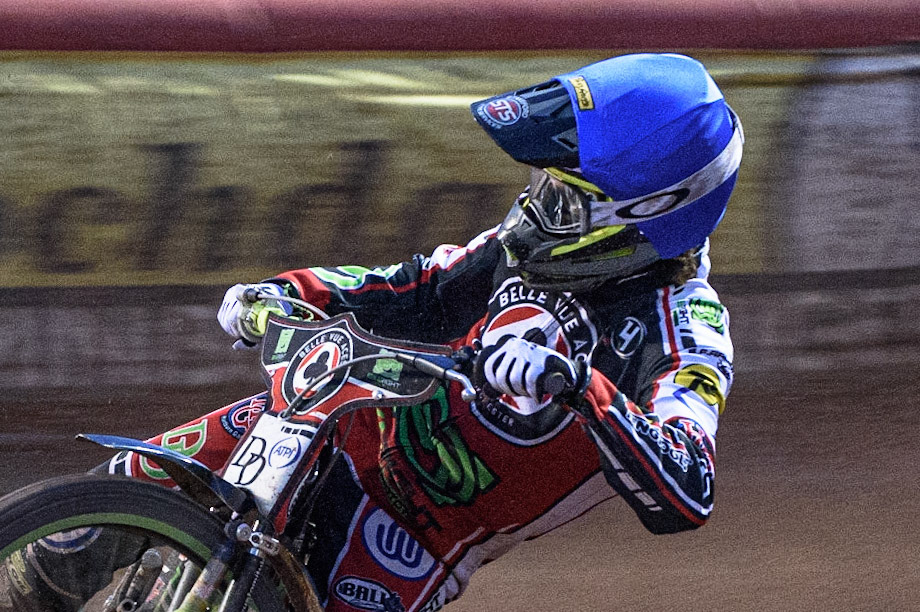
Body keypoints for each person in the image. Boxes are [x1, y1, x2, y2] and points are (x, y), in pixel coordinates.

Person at [2, 52, 741, 612]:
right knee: (78, 526)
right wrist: (287, 291)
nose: (536, 207)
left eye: (566, 198)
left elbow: (691, 488)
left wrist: (582, 386)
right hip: (324, 424)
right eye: (545, 184)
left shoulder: (686, 334)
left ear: (648, 214)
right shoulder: (525, 247)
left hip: (409, 536)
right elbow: (415, 288)